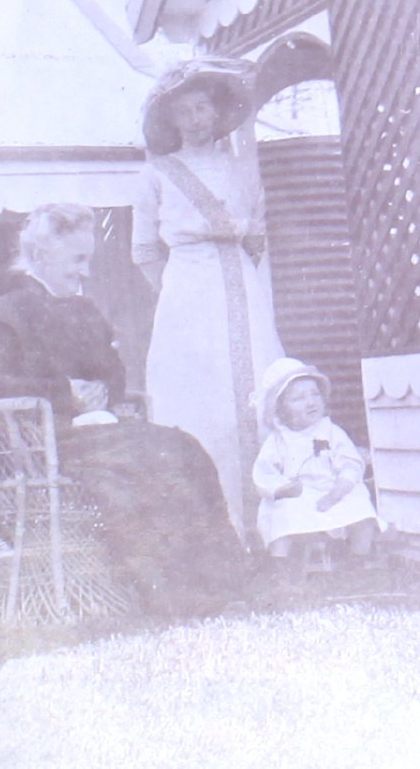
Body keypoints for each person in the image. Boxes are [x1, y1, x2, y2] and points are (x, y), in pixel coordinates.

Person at [0, 203, 245, 617]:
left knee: (182, 447)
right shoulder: (7, 312)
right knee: (140, 464)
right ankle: (176, 596)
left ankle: (225, 583)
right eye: (76, 260)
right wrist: (65, 392)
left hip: (98, 429)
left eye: (88, 260)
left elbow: (115, 374)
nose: (85, 272)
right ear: (41, 256)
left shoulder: (83, 310)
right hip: (44, 441)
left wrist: (102, 388)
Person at [132, 56, 284, 542]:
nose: (196, 120)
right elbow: (142, 252)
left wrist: (240, 272)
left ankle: (271, 524)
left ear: (217, 113)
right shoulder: (156, 174)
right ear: (171, 121)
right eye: (185, 112)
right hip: (187, 286)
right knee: (200, 395)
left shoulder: (241, 170)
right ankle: (214, 533)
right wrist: (179, 296)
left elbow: (257, 236)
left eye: (203, 109)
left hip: (240, 282)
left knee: (257, 382)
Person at [253, 357, 384, 571]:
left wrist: (339, 490)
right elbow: (264, 473)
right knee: (283, 514)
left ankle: (357, 561)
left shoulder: (330, 431)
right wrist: (282, 489)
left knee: (361, 507)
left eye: (315, 394)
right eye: (298, 398)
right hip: (299, 496)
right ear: (280, 409)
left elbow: (350, 462)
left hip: (336, 490)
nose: (311, 402)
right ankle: (281, 568)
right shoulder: (278, 440)